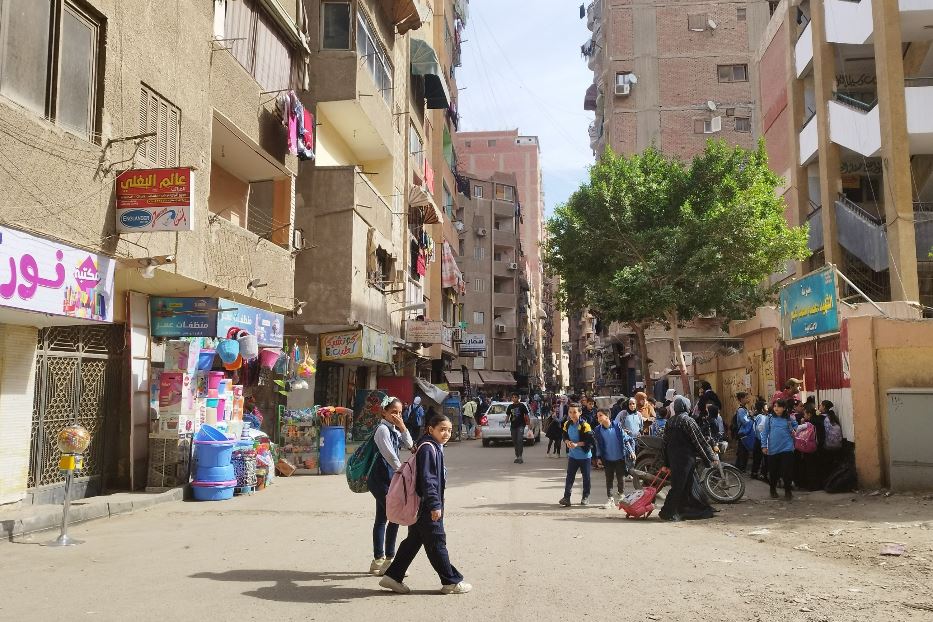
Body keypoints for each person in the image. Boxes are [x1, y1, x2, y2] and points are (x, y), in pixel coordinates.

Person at [379, 413, 471, 595]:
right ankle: (451, 581)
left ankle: (393, 576)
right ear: (431, 429)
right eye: (442, 430)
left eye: (449, 430)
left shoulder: (432, 446)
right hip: (425, 505)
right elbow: (428, 480)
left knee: (414, 540)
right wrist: (435, 505)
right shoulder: (428, 448)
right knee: (437, 541)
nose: (446, 434)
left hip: (422, 504)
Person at [368, 397, 414, 576]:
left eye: (400, 413)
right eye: (394, 412)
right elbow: (390, 456)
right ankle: (388, 560)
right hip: (380, 479)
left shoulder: (394, 429)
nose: (397, 416)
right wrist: (403, 473)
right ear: (384, 412)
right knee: (393, 516)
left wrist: (403, 427)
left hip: (389, 478)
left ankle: (379, 560)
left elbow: (410, 445)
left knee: (382, 517)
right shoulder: (382, 430)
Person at [658, 395, 718, 521]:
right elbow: (699, 440)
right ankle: (667, 513)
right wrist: (711, 456)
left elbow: (665, 443)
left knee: (687, 484)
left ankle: (687, 509)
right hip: (685, 459)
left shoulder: (670, 421)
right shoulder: (688, 420)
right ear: (686, 406)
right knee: (679, 486)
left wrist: (665, 462)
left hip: (674, 458)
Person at [594, 409, 637, 507]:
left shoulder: (617, 427)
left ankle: (621, 495)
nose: (598, 418)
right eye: (598, 416)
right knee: (609, 479)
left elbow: (625, 439)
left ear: (607, 416)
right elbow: (598, 445)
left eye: (600, 415)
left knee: (621, 478)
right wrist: (599, 457)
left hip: (620, 458)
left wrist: (631, 451)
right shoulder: (598, 430)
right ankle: (610, 499)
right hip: (607, 459)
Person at [558, 403, 594, 506]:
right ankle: (566, 498)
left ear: (580, 412)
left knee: (586, 477)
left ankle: (585, 497)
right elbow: (564, 436)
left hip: (585, 456)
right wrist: (567, 442)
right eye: (570, 412)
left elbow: (589, 441)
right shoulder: (567, 424)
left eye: (575, 412)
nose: (572, 414)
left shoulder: (585, 426)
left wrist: (576, 444)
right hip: (572, 456)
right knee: (570, 477)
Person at [762, 398, 798, 500]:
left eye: (778, 406)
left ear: (784, 408)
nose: (776, 408)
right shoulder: (769, 418)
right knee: (774, 472)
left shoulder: (789, 418)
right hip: (773, 449)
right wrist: (764, 446)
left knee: (787, 471)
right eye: (775, 406)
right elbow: (764, 433)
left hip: (787, 448)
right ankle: (772, 489)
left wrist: (795, 431)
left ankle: (788, 491)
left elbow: (796, 428)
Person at [506, 392, 530, 464]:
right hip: (513, 426)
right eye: (512, 397)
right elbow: (508, 415)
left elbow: (526, 415)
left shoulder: (522, 406)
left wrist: (528, 424)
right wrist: (505, 422)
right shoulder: (510, 407)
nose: (514, 398)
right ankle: (516, 455)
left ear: (518, 398)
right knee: (515, 441)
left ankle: (520, 456)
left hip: (521, 425)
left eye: (515, 397)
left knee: (519, 440)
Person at [733, 392, 754, 473]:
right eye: (746, 398)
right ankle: (741, 468)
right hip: (743, 433)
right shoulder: (741, 410)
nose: (748, 399)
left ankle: (739, 467)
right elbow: (745, 421)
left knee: (742, 451)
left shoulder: (744, 409)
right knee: (743, 452)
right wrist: (751, 417)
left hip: (744, 433)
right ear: (741, 399)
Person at [821, 400, 844, 468]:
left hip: (828, 445)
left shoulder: (823, 417)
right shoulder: (834, 416)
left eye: (820, 405)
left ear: (824, 406)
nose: (819, 407)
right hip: (839, 444)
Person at [751, 396, 768, 481]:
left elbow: (755, 428)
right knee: (764, 459)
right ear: (762, 408)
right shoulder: (762, 417)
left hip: (757, 440)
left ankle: (754, 473)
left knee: (757, 458)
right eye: (766, 406)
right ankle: (762, 474)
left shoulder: (757, 416)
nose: (767, 408)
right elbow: (760, 427)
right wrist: (763, 437)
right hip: (761, 441)